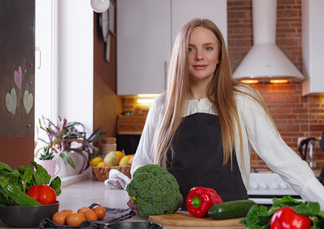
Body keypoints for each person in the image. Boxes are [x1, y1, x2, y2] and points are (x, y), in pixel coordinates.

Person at [129, 18, 324, 210]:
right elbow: (142, 165)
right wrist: (137, 195)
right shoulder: (162, 105)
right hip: (173, 222)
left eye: (208, 48)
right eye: (190, 49)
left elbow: (282, 158)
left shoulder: (242, 100)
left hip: (228, 221)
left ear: (219, 56)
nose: (199, 56)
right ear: (180, 55)